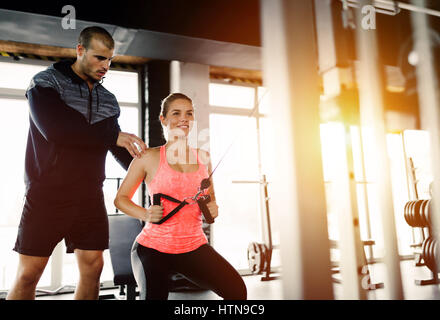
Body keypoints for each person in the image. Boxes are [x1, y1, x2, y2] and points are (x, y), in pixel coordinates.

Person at [7, 26, 147, 300]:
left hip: (89, 196)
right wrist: (113, 136)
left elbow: (114, 145)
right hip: (47, 193)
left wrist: (151, 170)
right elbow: (57, 131)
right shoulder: (46, 83)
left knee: (94, 267)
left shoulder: (108, 100)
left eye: (109, 59)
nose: (105, 66)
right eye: (98, 58)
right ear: (80, 50)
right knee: (29, 273)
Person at [114, 93, 247, 300]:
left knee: (237, 292)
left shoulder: (203, 157)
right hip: (152, 248)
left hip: (193, 246)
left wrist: (213, 208)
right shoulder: (148, 157)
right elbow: (120, 199)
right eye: (176, 113)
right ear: (163, 119)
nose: (184, 118)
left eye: (189, 114)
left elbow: (210, 197)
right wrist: (146, 213)